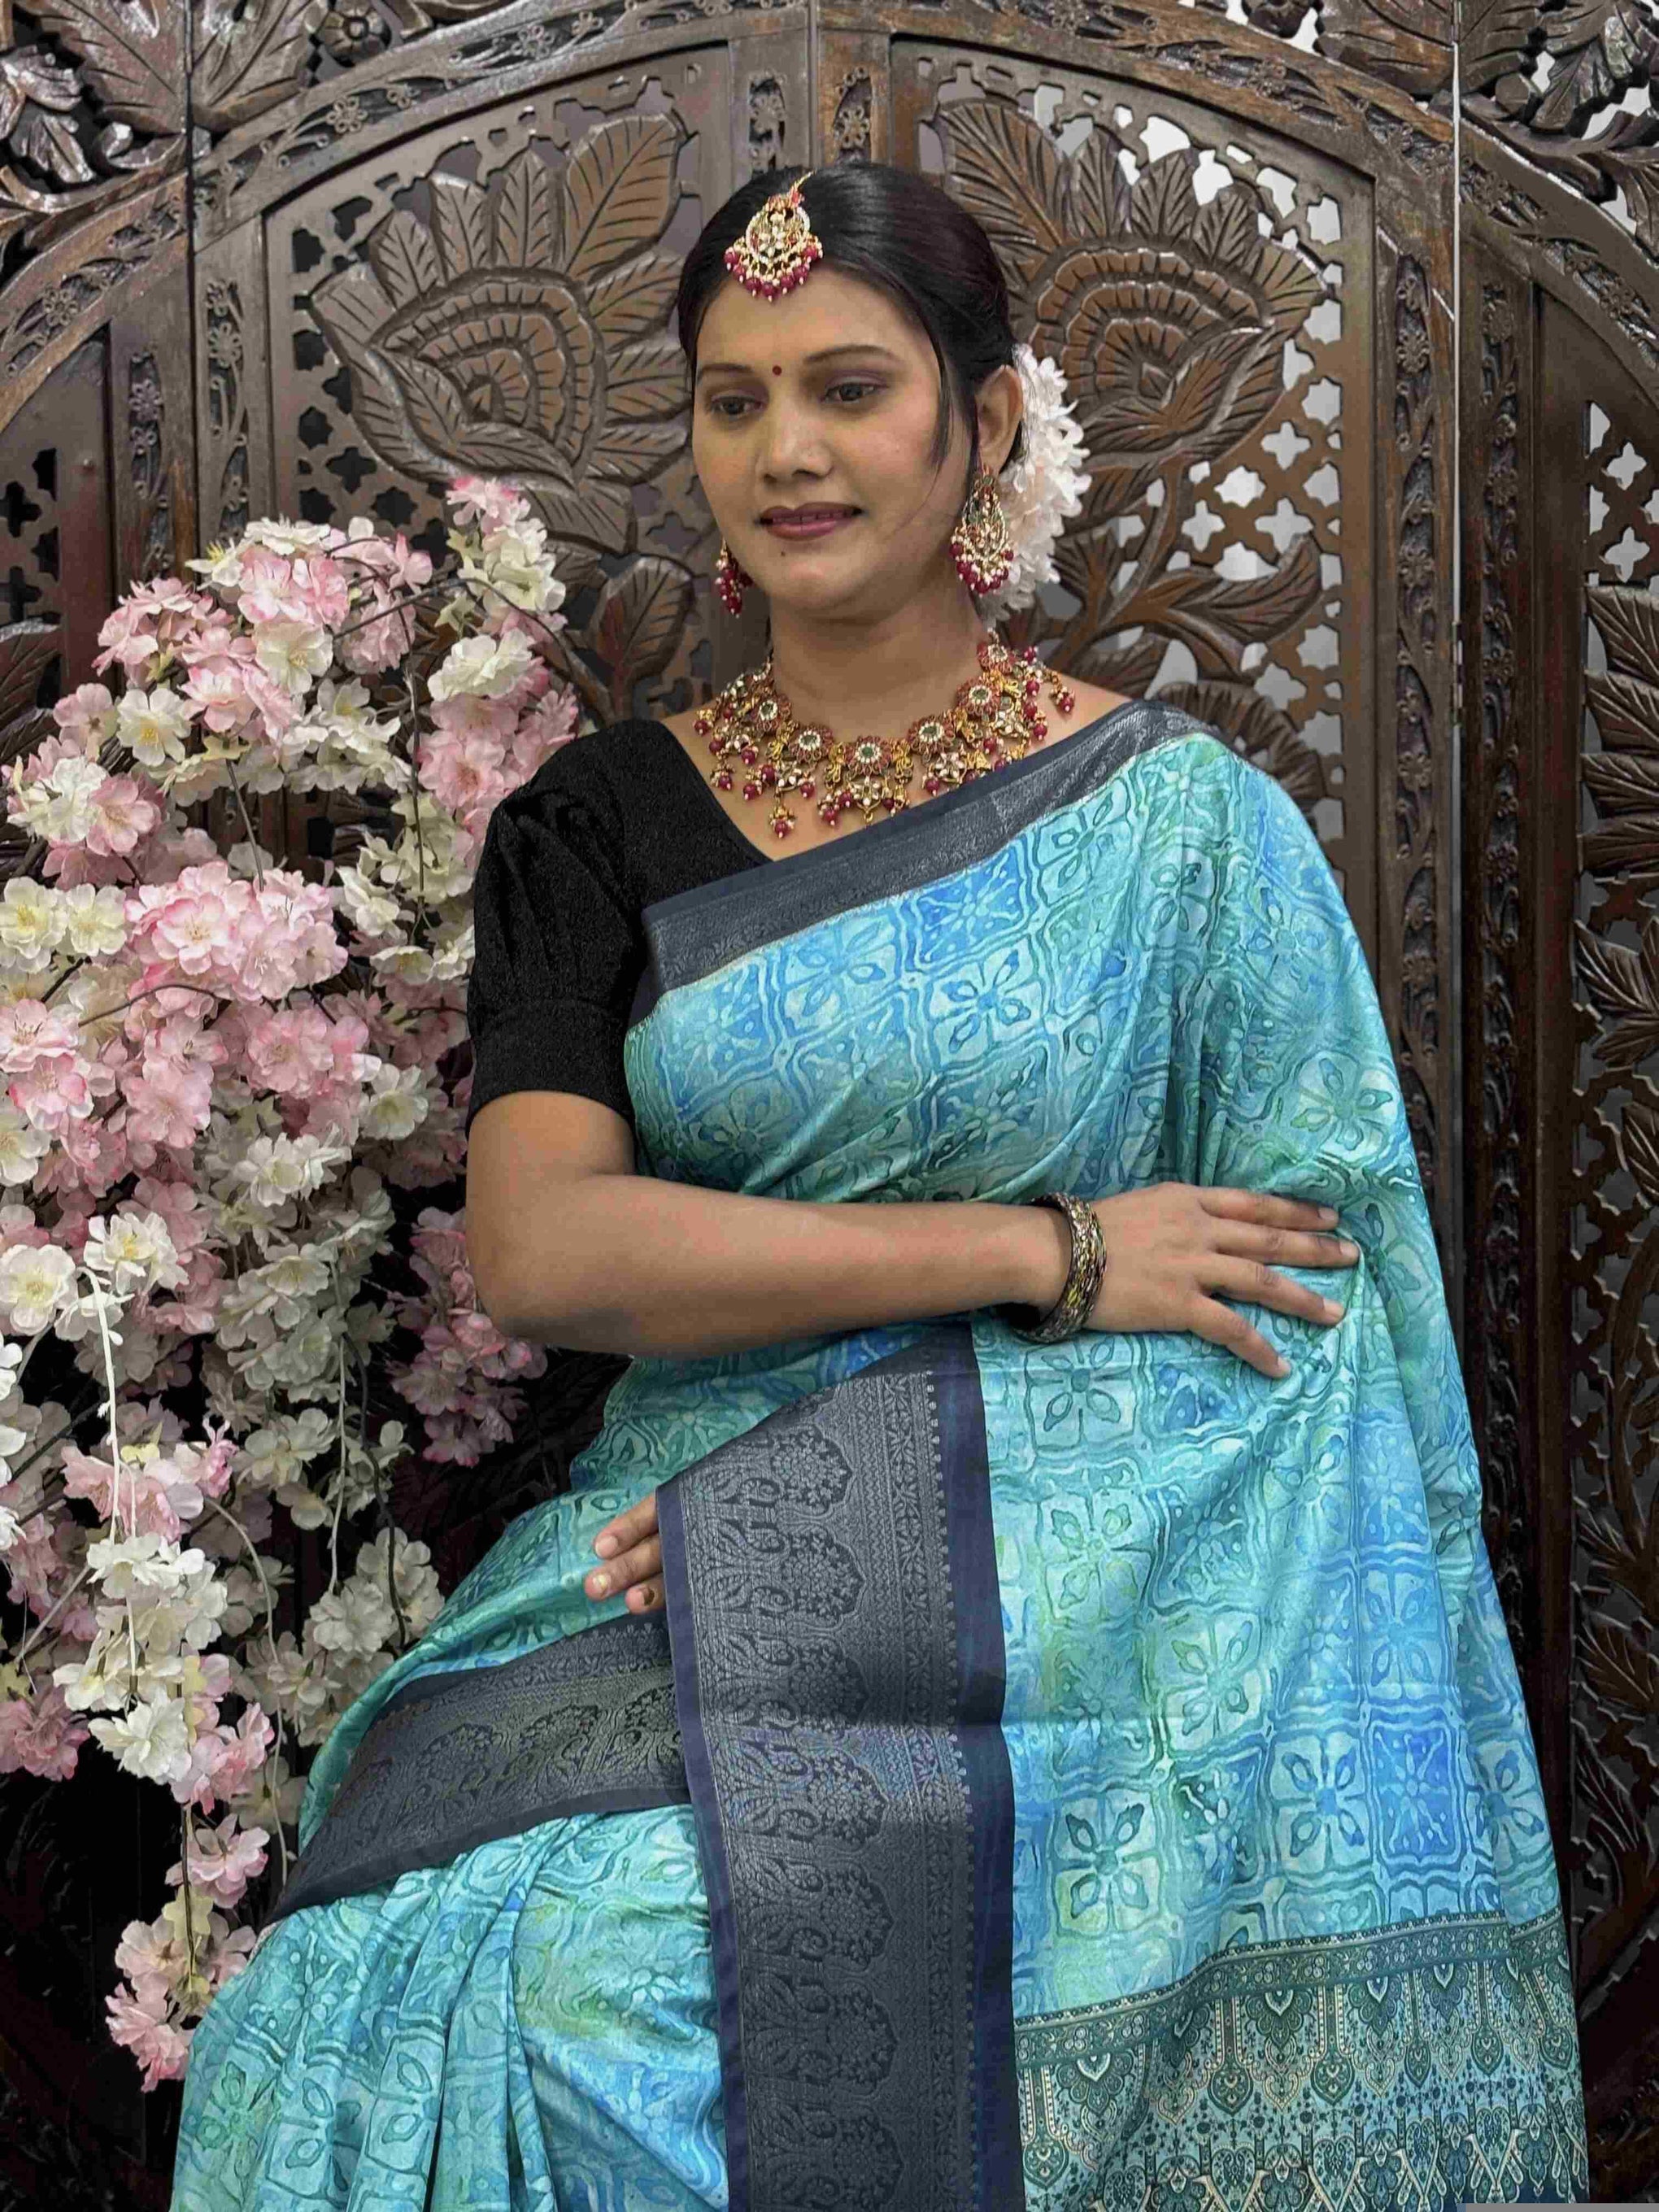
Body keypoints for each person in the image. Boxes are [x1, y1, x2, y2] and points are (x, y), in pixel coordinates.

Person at [169, 160, 1587, 2211]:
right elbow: (546, 1246)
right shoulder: (598, 822)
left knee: (642, 1986)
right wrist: (1046, 1250)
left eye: (849, 388)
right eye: (734, 400)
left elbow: (1314, 1319)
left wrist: (852, 1522)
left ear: (981, 424)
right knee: (417, 1983)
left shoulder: (1189, 834)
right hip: (664, 1559)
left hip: (1085, 1613)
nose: (789, 452)